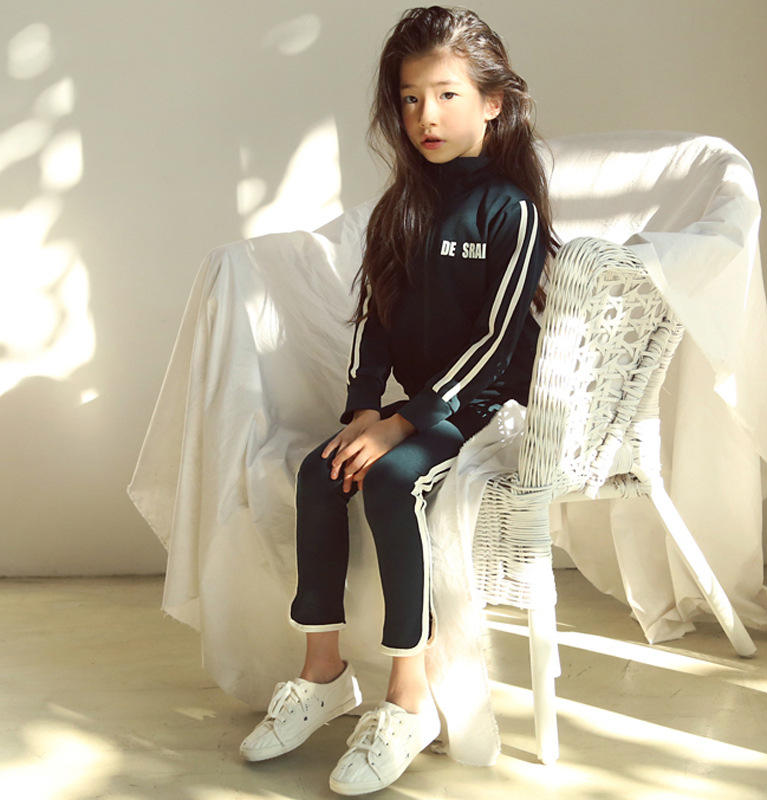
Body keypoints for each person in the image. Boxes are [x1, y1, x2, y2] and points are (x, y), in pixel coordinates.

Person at [240, 5, 561, 795]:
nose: (427, 116)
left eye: (447, 95)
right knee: (323, 470)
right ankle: (322, 675)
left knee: (391, 478)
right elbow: (374, 320)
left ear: (493, 101)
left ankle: (409, 698)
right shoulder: (400, 206)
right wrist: (362, 411)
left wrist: (402, 425)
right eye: (412, 99)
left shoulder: (511, 209)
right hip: (413, 408)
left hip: (484, 409)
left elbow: (498, 342)